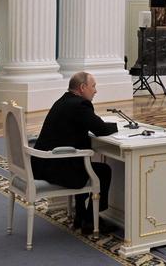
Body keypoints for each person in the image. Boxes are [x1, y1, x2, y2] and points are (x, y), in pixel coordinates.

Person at [32, 72, 118, 234]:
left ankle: (82, 215)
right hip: (57, 168)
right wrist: (119, 127)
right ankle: (91, 219)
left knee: (83, 164)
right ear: (83, 87)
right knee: (102, 171)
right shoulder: (80, 105)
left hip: (42, 164)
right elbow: (100, 129)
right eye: (93, 86)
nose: (95, 91)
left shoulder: (63, 100)